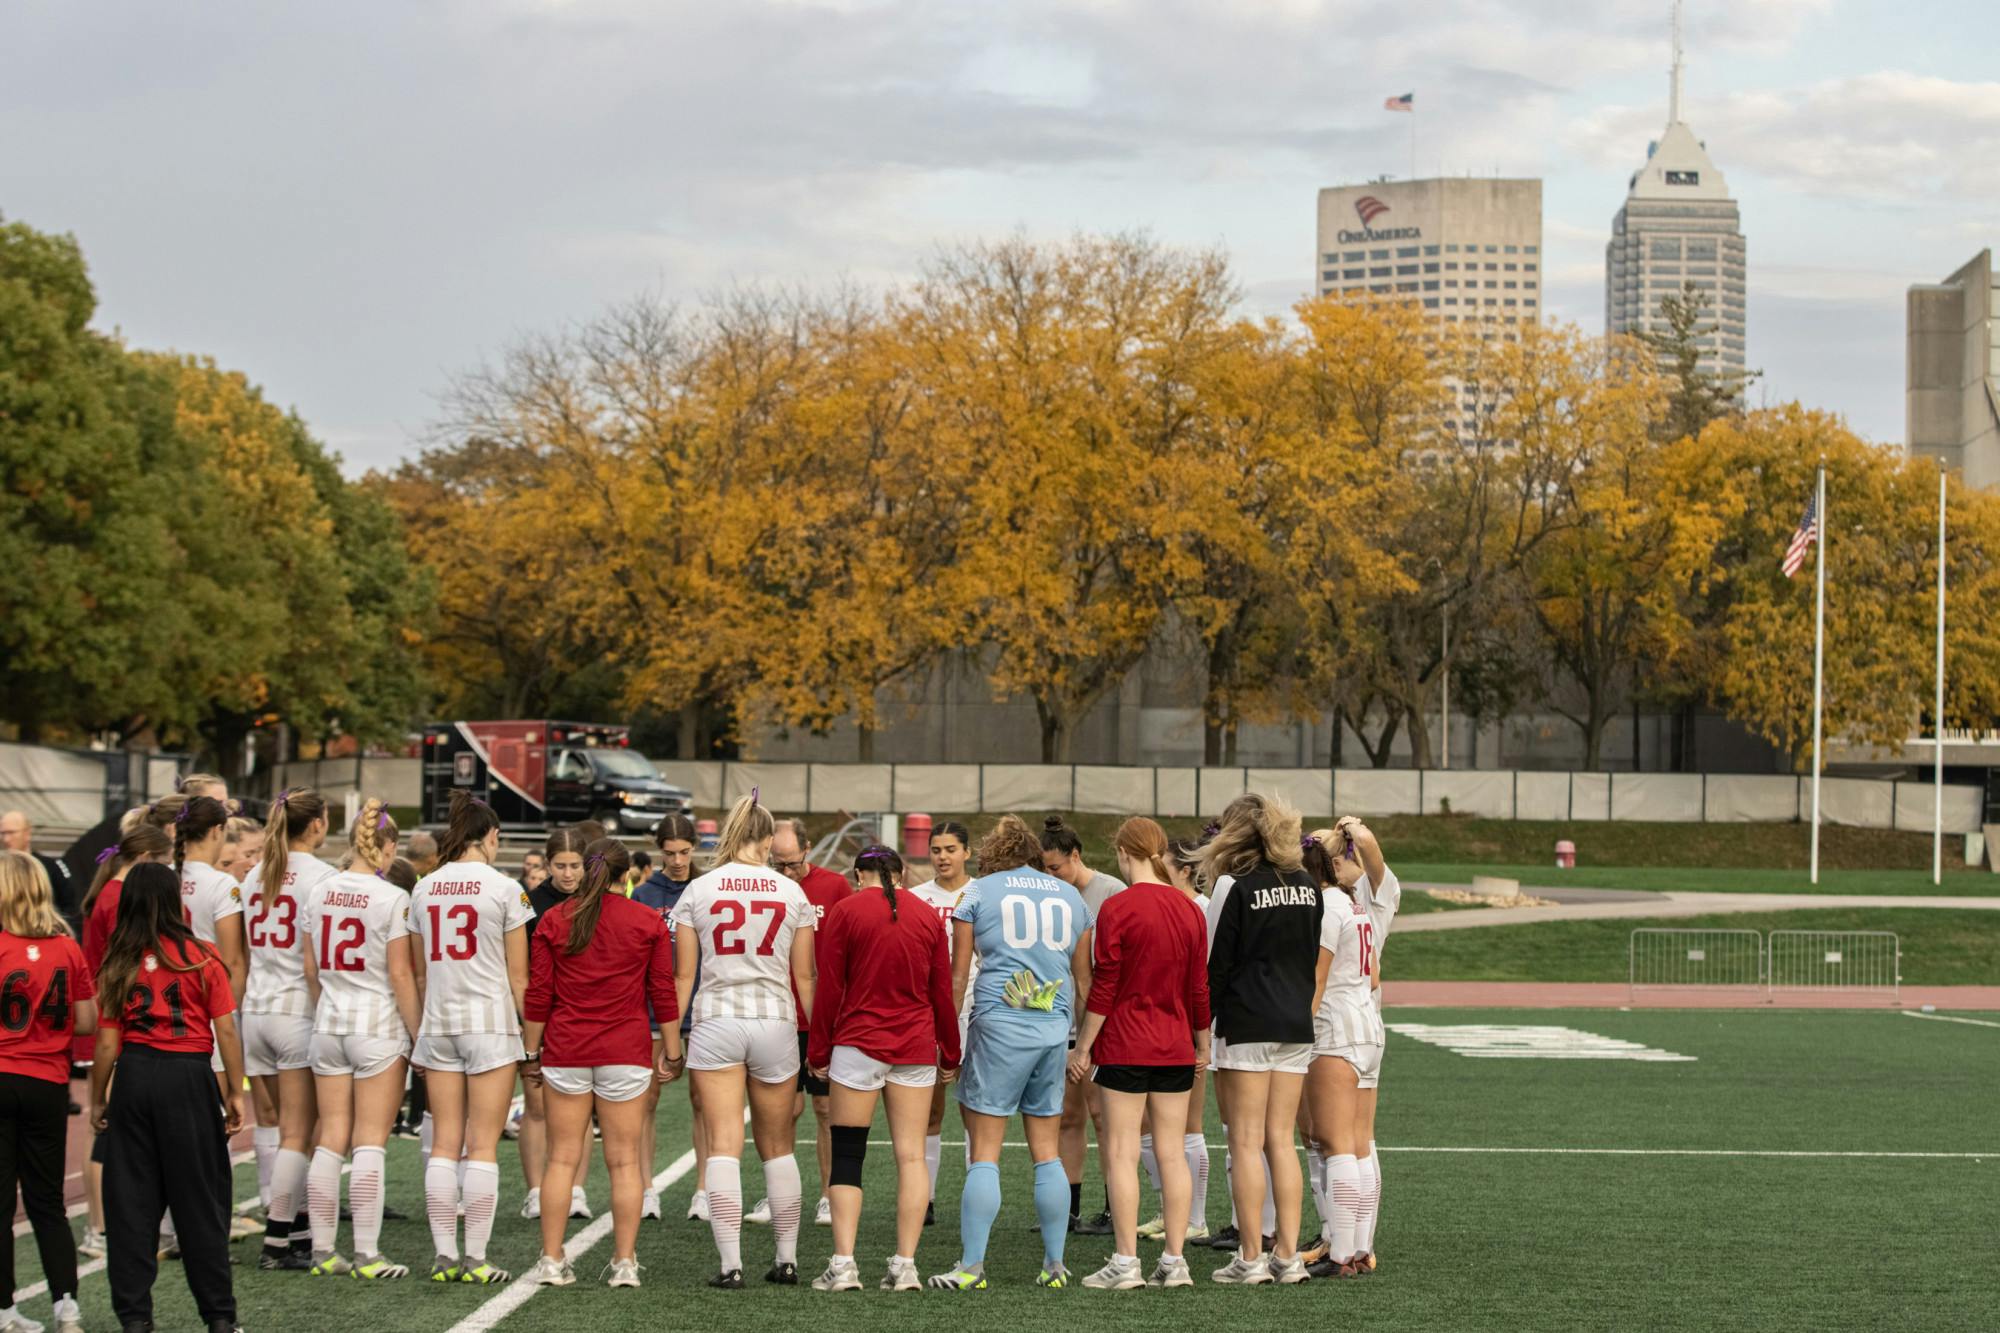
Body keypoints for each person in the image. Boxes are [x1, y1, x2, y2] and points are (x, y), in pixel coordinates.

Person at [928, 814, 1092, 1292]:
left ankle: (972, 1268)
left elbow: (959, 977)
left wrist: (947, 1042)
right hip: (1052, 1029)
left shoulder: (977, 892)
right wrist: (1081, 1042)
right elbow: (1084, 980)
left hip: (999, 1027)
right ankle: (1055, 1266)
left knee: (985, 1153)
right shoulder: (1071, 896)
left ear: (993, 854)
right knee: (1047, 1153)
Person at [520, 838, 684, 1290]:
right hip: (624, 1052)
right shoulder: (646, 919)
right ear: (626, 875)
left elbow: (539, 993)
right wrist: (673, 1051)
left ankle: (552, 1259)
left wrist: (531, 1052)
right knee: (625, 1162)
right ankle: (625, 1261)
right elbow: (662, 992)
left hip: (568, 1049)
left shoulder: (555, 919)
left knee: (561, 1160)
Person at [89, 862, 247, 1333]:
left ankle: (135, 1319)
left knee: (131, 1205)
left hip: (135, 1076)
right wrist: (235, 1092)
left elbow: (105, 1044)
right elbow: (226, 1031)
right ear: (176, 900)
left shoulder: (120, 959)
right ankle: (219, 1318)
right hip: (189, 1079)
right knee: (199, 1202)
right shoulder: (203, 955)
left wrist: (99, 1098)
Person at [670, 793, 814, 1289]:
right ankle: (787, 1259)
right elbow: (806, 977)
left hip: (717, 1021)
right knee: (778, 1147)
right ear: (769, 838)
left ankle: (731, 1266)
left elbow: (682, 977)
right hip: (775, 1020)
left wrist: (670, 1038)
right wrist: (816, 1039)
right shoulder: (791, 892)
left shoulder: (698, 890)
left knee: (724, 1147)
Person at [806, 847, 959, 1293]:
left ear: (859, 874)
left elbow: (830, 986)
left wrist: (818, 1049)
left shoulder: (846, 911)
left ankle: (844, 1264)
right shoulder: (927, 914)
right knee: (912, 1156)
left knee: (849, 1155)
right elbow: (941, 992)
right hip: (913, 1046)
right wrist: (950, 1052)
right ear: (903, 871)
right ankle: (905, 1264)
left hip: (859, 1043)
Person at [1067, 818, 1211, 1290]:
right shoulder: (1188, 909)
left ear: (1125, 853)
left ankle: (1126, 1262)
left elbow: (1104, 986)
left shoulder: (1118, 907)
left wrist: (1083, 1046)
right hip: (1174, 1045)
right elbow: (1198, 987)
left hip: (1126, 1043)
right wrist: (1202, 1041)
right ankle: (1174, 1260)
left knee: (1122, 1150)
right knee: (1172, 1153)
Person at [411, 791, 532, 1284]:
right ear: (491, 837)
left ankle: (444, 1255)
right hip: (489, 1024)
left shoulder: (423, 888)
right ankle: (476, 1259)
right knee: (482, 1146)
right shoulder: (504, 889)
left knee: (444, 1143)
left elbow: (420, 973)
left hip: (438, 1021)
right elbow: (520, 976)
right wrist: (532, 1037)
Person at [299, 799, 423, 1280]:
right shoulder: (392, 898)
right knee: (369, 1142)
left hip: (329, 1023)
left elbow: (311, 970)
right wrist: (418, 1038)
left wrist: (325, 1010)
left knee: (329, 1140)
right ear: (387, 846)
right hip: (376, 1026)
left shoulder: (321, 890)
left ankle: (323, 1251)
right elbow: (401, 976)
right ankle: (368, 1254)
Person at [1201, 793, 1321, 1285]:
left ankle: (1250, 1258)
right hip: (1295, 1023)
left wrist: (1201, 1029)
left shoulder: (1233, 885)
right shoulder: (1309, 885)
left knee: (1245, 1143)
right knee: (1281, 1142)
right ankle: (1289, 1257)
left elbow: (1213, 967)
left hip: (1246, 1023)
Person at [241, 787, 338, 1272]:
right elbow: (316, 960)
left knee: (285, 1130)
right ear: (316, 825)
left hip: (255, 1009)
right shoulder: (321, 877)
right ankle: (278, 1241)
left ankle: (294, 1229)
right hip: (296, 1011)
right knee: (300, 1133)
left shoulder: (253, 873)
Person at [0, 852, 94, 1333]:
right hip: (47, 1083)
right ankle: (67, 1309)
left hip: (1, 1075)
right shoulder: (66, 947)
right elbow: (85, 1020)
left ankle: (5, 1311)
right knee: (47, 1203)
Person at [72, 823, 173, 1260]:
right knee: (107, 1129)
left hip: (109, 1016)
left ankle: (105, 1224)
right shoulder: (118, 897)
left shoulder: (111, 891)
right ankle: (98, 1227)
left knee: (113, 1129)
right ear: (148, 858)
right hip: (110, 1021)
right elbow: (125, 962)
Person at [1300, 824, 1382, 1280]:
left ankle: (1341, 1254)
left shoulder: (1327, 905)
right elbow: (1373, 977)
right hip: (1368, 1025)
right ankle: (1361, 1248)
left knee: (1334, 1146)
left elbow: (1317, 975)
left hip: (1337, 1028)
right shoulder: (1355, 904)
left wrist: (1299, 1025)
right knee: (1359, 1143)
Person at [1040, 815, 1123, 1234]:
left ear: (1075, 855)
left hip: (1098, 1022)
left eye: (1056, 867)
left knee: (1102, 1115)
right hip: (1058, 1020)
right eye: (1045, 870)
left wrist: (1092, 1033)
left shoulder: (1110, 891)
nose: (1052, 876)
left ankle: (1112, 1209)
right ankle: (1067, 1211)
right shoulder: (1049, 896)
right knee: (1066, 1117)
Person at [768, 818, 850, 1227]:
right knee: (780, 1109)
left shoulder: (835, 887)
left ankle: (826, 1194)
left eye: (792, 864)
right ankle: (777, 1195)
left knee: (825, 1107)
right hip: (776, 1015)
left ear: (809, 848)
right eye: (777, 863)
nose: (785, 872)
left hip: (820, 1016)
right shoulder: (764, 887)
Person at [1134, 836, 1214, 1245]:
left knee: (1188, 1125)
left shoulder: (1200, 909)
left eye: (1164, 864)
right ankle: (1171, 1209)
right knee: (1154, 1125)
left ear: (1184, 870)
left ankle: (1194, 1217)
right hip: (1164, 1028)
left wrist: (1203, 1035)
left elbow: (1202, 978)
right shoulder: (1168, 905)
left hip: (1187, 1026)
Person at [517, 827, 593, 1225]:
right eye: (560, 866)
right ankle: (535, 1191)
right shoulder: (530, 903)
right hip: (540, 1011)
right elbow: (521, 968)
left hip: (581, 1013)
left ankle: (576, 1190)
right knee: (536, 1106)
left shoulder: (592, 900)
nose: (567, 874)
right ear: (547, 866)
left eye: (575, 866)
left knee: (580, 1109)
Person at [632, 814, 699, 1222]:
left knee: (705, 1102)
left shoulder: (706, 887)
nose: (677, 861)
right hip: (654, 1010)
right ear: (659, 851)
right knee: (646, 1100)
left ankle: (705, 1190)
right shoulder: (642, 894)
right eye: (670, 853)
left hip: (701, 1009)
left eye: (685, 852)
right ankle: (644, 1188)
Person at [907, 819, 973, 1223]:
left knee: (975, 1109)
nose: (943, 857)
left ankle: (974, 1198)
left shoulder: (983, 893)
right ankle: (925, 1199)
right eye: (936, 850)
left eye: (950, 849)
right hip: (930, 1015)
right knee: (929, 1110)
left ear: (967, 852)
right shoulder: (916, 898)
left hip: (977, 1012)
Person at [0, 811, 80, 933]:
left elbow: (70, 905)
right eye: (2, 833)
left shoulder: (51, 867)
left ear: (27, 833)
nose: (6, 839)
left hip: (45, 935)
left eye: (11, 832)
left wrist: (58, 933)